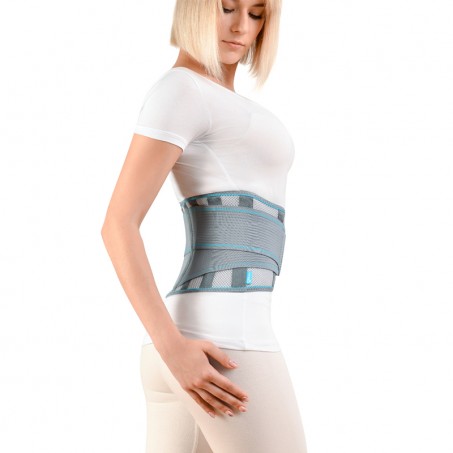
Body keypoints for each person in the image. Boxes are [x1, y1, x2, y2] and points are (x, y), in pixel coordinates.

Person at [101, 0, 308, 451]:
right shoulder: (182, 90)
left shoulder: (211, 98)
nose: (240, 26)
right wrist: (173, 349)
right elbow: (118, 224)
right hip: (221, 341)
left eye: (256, 14)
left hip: (195, 341)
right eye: (227, 7)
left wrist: (172, 349)